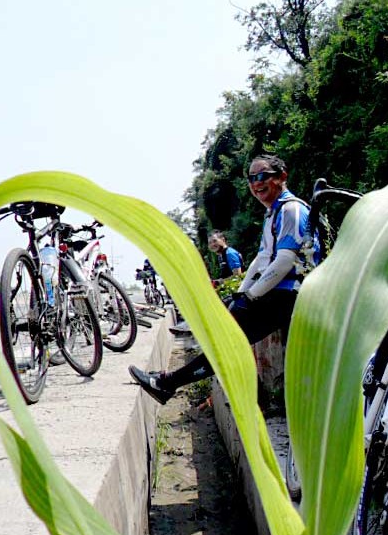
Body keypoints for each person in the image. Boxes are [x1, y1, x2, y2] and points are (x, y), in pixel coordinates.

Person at [129, 154, 310, 404]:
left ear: (281, 177)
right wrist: (243, 293)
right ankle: (254, 398)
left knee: (227, 339)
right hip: (276, 292)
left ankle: (167, 383)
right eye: (251, 178)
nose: (256, 183)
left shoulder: (291, 209)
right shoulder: (272, 213)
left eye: (263, 176)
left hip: (291, 293)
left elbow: (284, 262)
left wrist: (251, 295)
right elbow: (262, 258)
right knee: (230, 334)